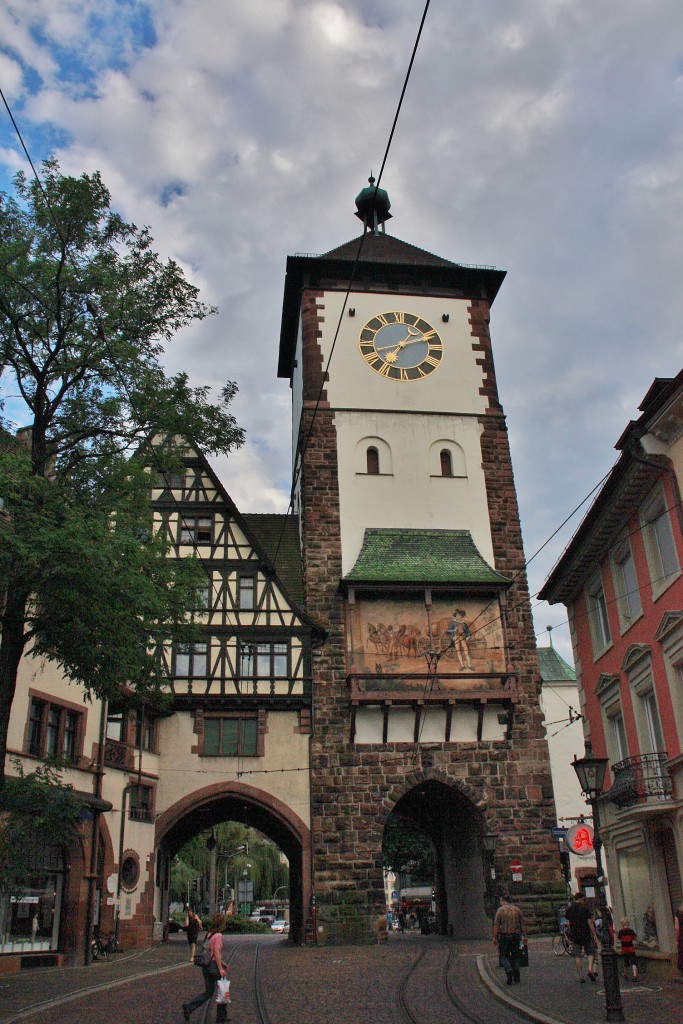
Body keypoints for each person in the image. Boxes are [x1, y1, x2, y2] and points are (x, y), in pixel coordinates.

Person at [182, 912, 229, 1023]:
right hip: (213, 966)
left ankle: (189, 1007)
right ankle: (221, 1017)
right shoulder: (218, 936)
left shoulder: (209, 934)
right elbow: (216, 952)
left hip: (206, 966)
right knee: (223, 989)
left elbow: (209, 952)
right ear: (221, 924)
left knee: (208, 992)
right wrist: (220, 968)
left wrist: (222, 962)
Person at [492, 891, 526, 985]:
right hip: (516, 936)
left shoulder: (500, 910)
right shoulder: (517, 909)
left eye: (500, 901)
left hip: (505, 936)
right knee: (514, 956)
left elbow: (496, 925)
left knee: (503, 955)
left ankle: (508, 969)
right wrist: (525, 936)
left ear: (503, 900)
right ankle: (517, 978)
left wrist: (494, 938)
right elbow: (522, 924)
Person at [566, 892, 598, 983]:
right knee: (590, 953)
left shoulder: (570, 909)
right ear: (580, 899)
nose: (584, 901)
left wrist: (570, 934)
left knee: (577, 956)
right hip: (585, 934)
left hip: (575, 935)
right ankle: (589, 969)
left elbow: (568, 924)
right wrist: (594, 934)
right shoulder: (584, 909)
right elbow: (590, 922)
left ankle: (580, 976)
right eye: (583, 899)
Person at [617, 917, 638, 983]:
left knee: (626, 962)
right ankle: (635, 975)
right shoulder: (631, 931)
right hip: (631, 948)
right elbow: (634, 938)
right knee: (633, 962)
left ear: (622, 924)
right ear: (628, 923)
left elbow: (619, 939)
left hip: (624, 949)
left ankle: (625, 974)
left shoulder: (621, 932)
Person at [674, 901, 683, 981]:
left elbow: (677, 928)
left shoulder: (678, 913)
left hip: (682, 937)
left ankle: (681, 974)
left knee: (681, 954)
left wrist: (676, 939)